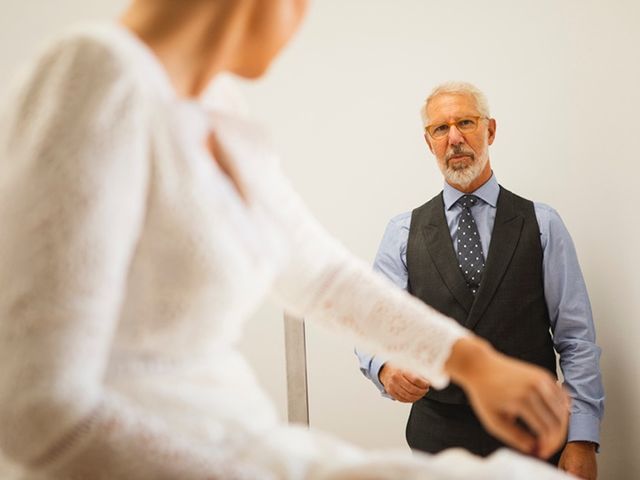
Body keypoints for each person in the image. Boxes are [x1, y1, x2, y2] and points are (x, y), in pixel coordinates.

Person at [0, 2, 571, 479]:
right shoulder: (97, 72)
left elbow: (317, 274)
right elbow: (35, 410)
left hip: (247, 440)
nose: (300, 20)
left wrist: (472, 362)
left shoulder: (217, 107)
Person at [357, 81, 604, 479]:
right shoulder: (402, 232)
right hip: (436, 447)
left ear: (490, 131)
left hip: (534, 440)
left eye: (466, 123)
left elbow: (576, 340)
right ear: (429, 143)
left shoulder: (543, 225)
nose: (454, 138)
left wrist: (582, 439)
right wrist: (385, 367)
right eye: (441, 129)